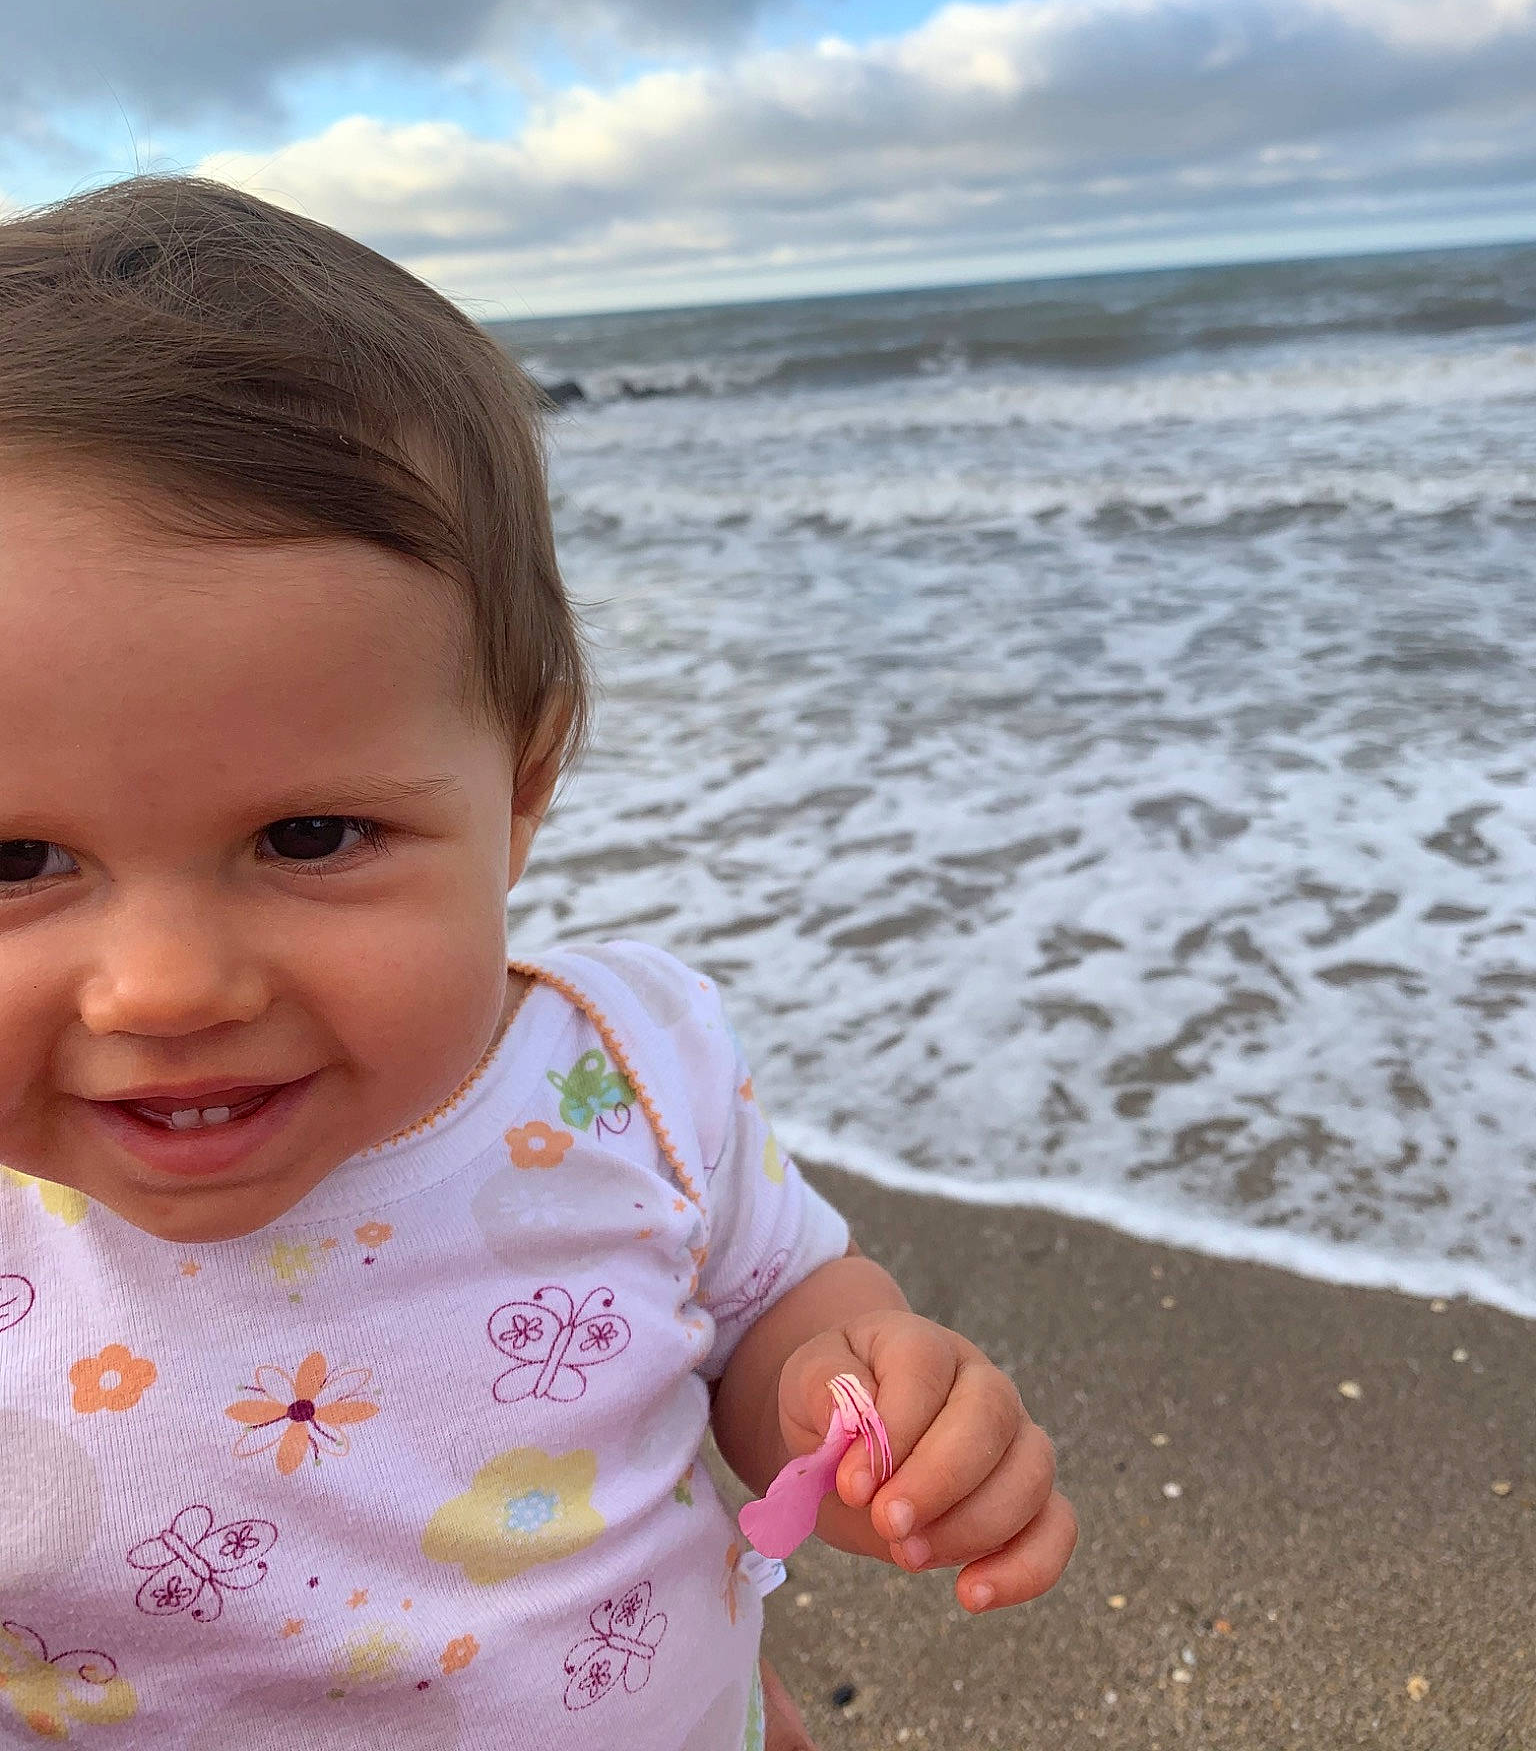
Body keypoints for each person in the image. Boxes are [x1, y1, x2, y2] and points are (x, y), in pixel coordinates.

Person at [0, 179, 1077, 1750]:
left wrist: (850, 1395)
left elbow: (769, 1303)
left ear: (519, 790)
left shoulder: (629, 1074)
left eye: (309, 835)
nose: (165, 988)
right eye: (18, 862)